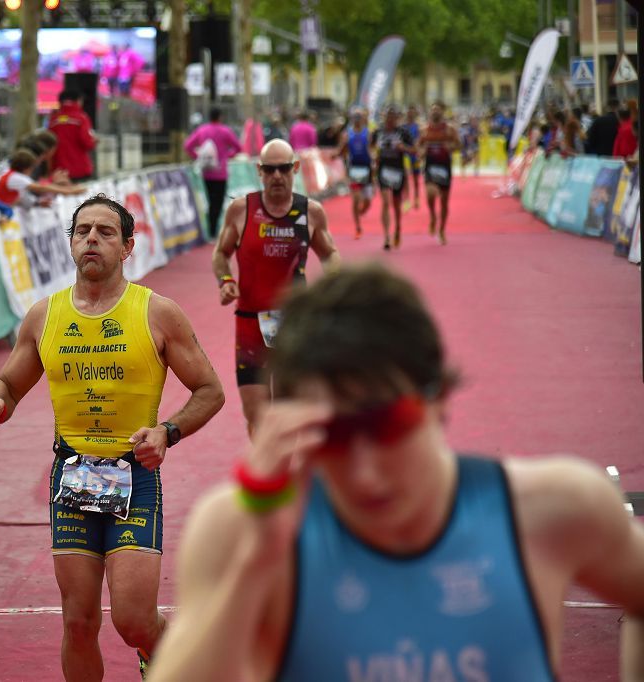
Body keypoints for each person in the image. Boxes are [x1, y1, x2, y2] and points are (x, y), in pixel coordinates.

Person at [148, 262, 644, 682]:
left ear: (439, 399)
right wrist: (257, 560)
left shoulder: (551, 510)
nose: (365, 474)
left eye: (388, 426)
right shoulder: (237, 528)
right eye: (332, 437)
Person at [0, 195, 225, 681]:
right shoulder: (45, 315)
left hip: (133, 475)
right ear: (69, 243)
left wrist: (167, 432)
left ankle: (167, 660)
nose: (92, 239)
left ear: (128, 246)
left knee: (132, 620)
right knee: (79, 622)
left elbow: (210, 390)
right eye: (82, 230)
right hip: (73, 477)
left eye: (106, 232)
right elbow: (8, 384)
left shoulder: (157, 312)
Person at [211, 139, 341, 436]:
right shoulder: (242, 210)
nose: (277, 176)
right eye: (270, 170)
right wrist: (226, 281)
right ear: (260, 171)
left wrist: (335, 284)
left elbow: (330, 253)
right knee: (256, 415)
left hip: (293, 325)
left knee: (287, 413)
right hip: (249, 324)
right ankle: (270, 471)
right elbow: (221, 253)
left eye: (284, 169)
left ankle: (282, 475)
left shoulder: (311, 212)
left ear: (295, 168)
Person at [184, 107, 243, 240]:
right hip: (220, 173)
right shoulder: (225, 131)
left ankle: (211, 230)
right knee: (218, 201)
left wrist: (197, 157)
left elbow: (187, 145)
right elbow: (238, 147)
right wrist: (227, 156)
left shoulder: (202, 130)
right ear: (220, 117)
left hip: (207, 172)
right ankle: (213, 231)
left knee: (211, 201)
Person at [373, 105, 418, 250]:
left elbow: (414, 150)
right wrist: (374, 155)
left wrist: (403, 148)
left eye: (393, 117)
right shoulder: (378, 132)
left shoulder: (403, 132)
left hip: (398, 171)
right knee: (385, 202)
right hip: (383, 170)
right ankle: (386, 236)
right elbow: (370, 146)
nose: (390, 120)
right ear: (384, 117)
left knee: (396, 204)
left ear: (397, 118)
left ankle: (398, 227)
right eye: (388, 116)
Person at [0, 149, 85, 210]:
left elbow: (21, 198)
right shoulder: (15, 177)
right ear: (26, 168)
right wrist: (69, 191)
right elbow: (42, 188)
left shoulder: (10, 175)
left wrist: (37, 203)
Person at [419, 101, 460, 245]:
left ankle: (442, 230)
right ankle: (432, 217)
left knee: (444, 201)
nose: (435, 112)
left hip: (444, 167)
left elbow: (458, 145)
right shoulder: (424, 130)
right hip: (430, 166)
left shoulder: (450, 130)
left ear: (442, 112)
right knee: (430, 194)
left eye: (438, 110)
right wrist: (422, 152)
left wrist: (451, 147)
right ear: (430, 113)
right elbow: (419, 147)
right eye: (433, 110)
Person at [336, 108, 375, 239]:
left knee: (368, 201)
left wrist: (374, 161)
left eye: (360, 117)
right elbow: (342, 151)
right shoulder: (347, 134)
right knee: (356, 199)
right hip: (354, 169)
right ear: (352, 119)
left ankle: (361, 211)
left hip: (367, 168)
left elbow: (372, 149)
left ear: (363, 118)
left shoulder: (368, 133)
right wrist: (337, 153)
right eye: (355, 117)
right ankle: (358, 227)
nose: (357, 119)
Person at [49, 90, 98, 182]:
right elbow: (87, 143)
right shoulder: (81, 118)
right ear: (78, 101)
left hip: (59, 171)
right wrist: (94, 142)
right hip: (79, 169)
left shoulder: (54, 119)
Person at [403, 105, 422, 210]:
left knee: (415, 178)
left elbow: (420, 140)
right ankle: (406, 199)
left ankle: (416, 197)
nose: (410, 115)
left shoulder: (418, 127)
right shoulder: (403, 127)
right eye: (408, 113)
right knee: (405, 177)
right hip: (406, 154)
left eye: (412, 113)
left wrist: (419, 152)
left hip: (415, 155)